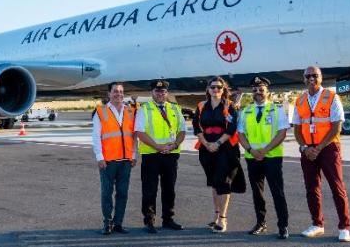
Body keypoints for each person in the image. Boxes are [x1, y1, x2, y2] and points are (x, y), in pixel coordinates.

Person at [293, 66, 350, 243]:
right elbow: (297, 128)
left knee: (337, 187)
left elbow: (336, 126)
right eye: (308, 76)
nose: (311, 78)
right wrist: (304, 147)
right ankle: (317, 224)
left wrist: (318, 147)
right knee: (311, 188)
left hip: (328, 147)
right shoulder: (300, 100)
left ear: (321, 77)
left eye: (315, 76)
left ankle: (344, 227)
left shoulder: (332, 97)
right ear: (304, 79)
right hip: (307, 149)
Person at [192, 76, 246, 233]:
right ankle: (216, 216)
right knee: (214, 182)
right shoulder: (201, 106)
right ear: (208, 89)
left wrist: (217, 143)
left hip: (225, 148)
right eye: (213, 87)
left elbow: (231, 128)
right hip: (206, 147)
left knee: (223, 182)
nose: (216, 90)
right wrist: (206, 143)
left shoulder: (229, 106)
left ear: (224, 90)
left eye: (219, 87)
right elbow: (196, 126)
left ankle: (223, 218)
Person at [238, 76, 289, 239]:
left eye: (261, 89)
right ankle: (261, 223)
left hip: (272, 157)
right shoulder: (246, 111)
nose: (258, 92)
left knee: (277, 192)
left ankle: (283, 226)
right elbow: (240, 134)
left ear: (267, 91)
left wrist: (265, 150)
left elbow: (282, 133)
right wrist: (251, 150)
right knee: (257, 193)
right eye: (255, 89)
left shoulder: (277, 109)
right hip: (252, 157)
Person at [135, 79, 187, 233]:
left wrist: (175, 145)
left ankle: (168, 219)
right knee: (150, 189)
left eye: (163, 91)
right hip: (151, 155)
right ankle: (149, 221)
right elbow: (140, 132)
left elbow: (182, 131)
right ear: (152, 93)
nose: (160, 94)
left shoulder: (175, 109)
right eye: (157, 91)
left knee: (169, 189)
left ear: (167, 93)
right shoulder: (144, 109)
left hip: (171, 155)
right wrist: (158, 147)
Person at [91, 82, 138, 235]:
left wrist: (133, 155)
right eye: (115, 91)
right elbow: (96, 137)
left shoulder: (130, 111)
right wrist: (99, 157)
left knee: (123, 193)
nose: (118, 94)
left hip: (125, 161)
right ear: (109, 94)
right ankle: (107, 222)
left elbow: (134, 136)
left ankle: (118, 223)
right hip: (108, 160)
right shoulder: (101, 112)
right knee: (106, 193)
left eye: (121, 91)